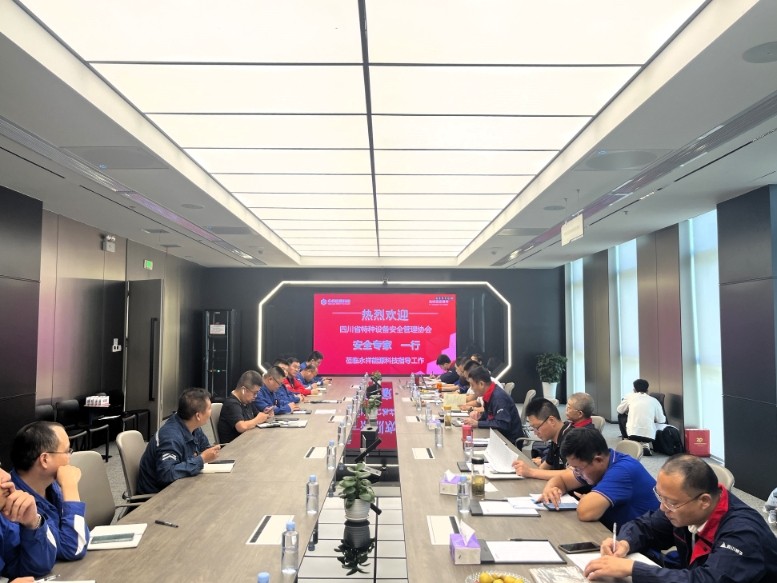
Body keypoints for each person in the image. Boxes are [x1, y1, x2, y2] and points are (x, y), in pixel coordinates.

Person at [584, 454, 777, 583]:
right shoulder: (684, 509)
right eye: (660, 497)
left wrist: (634, 569)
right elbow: (647, 526)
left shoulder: (742, 532)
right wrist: (625, 542)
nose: (663, 507)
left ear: (704, 501)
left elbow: (707, 580)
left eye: (671, 502)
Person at [540, 428, 658, 531]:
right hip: (617, 533)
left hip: (642, 544)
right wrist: (551, 490)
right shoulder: (602, 462)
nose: (577, 473)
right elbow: (561, 479)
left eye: (578, 468)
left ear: (598, 460)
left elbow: (585, 512)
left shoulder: (622, 471)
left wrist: (588, 502)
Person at [10, 422, 89, 561]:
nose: (69, 457)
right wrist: (70, 487)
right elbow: (73, 548)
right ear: (45, 459)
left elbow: (80, 535)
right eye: (67, 451)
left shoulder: (50, 485)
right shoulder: (17, 501)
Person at [137, 388, 220, 494]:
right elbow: (166, 474)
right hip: (158, 495)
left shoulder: (194, 427)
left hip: (182, 485)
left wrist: (209, 453)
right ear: (198, 416)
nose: (211, 411)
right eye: (209, 408)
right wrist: (201, 459)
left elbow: (204, 449)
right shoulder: (170, 437)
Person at [1, 465, 57, 581]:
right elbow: (70, 547)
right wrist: (70, 489)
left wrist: (32, 524)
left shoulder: (3, 520)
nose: (6, 476)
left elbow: (36, 568)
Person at [462, 365, 523, 444]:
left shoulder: (498, 397)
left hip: (509, 442)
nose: (472, 388)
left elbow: (503, 424)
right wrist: (479, 418)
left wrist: (478, 423)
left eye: (472, 385)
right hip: (497, 436)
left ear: (481, 384)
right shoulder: (490, 393)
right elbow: (489, 416)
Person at [217, 370, 275, 443]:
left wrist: (265, 415)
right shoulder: (231, 404)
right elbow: (241, 427)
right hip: (234, 446)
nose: (256, 396)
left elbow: (257, 416)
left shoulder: (247, 401)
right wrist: (258, 419)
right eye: (254, 393)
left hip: (248, 441)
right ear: (243, 390)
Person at [617, 379, 666, 445]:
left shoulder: (630, 397)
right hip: (650, 436)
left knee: (621, 415)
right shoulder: (654, 401)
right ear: (647, 390)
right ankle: (645, 444)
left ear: (634, 390)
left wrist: (628, 411)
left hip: (632, 434)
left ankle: (626, 439)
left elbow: (619, 410)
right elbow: (662, 420)